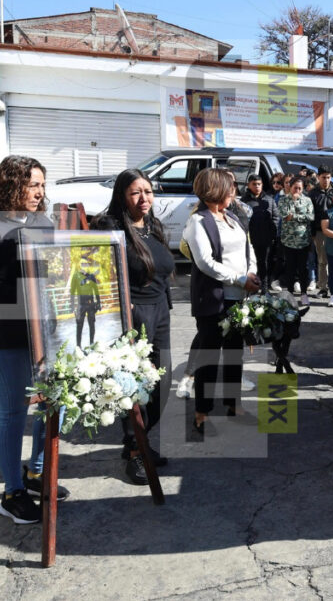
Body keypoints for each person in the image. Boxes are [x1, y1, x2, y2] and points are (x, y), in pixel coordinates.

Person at [0, 155, 68, 523]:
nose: (39, 192)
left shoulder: (43, 220)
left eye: (42, 185)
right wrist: (29, 293)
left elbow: (58, 270)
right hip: (5, 334)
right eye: (31, 185)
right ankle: (11, 492)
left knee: (53, 404)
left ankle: (37, 470)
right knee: (13, 413)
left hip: (48, 332)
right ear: (10, 183)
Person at [92, 169, 175, 485]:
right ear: (122, 196)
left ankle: (143, 440)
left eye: (149, 192)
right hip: (132, 314)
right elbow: (97, 273)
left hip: (160, 312)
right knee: (134, 386)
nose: (144, 199)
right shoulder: (110, 228)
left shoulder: (152, 227)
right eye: (136, 193)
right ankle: (133, 451)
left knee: (160, 383)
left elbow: (165, 270)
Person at [184, 168, 259, 434]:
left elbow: (248, 249)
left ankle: (233, 405)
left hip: (238, 298)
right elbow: (206, 263)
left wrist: (252, 273)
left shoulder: (231, 218)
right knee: (209, 357)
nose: (234, 192)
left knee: (234, 356)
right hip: (213, 301)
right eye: (230, 187)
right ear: (216, 189)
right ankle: (201, 413)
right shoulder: (198, 221)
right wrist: (240, 279)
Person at [277, 175, 315, 305]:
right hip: (288, 240)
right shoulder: (283, 200)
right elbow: (285, 216)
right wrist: (293, 203)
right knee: (290, 268)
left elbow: (310, 217)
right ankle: (290, 295)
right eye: (295, 188)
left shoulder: (307, 200)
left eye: (300, 188)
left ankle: (304, 293)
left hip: (303, 240)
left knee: (303, 268)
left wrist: (295, 216)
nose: (297, 191)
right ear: (290, 187)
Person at [241, 173, 279, 292]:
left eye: (259, 184)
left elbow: (276, 217)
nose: (257, 186)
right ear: (249, 185)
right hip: (250, 238)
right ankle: (252, 286)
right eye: (254, 184)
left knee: (264, 263)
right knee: (251, 263)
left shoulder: (269, 200)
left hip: (265, 238)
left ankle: (264, 287)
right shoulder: (244, 201)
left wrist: (273, 233)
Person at [309, 165, 333, 299]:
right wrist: (312, 234)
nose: (326, 180)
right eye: (323, 177)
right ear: (318, 177)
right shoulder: (313, 193)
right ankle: (323, 288)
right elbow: (310, 215)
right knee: (322, 261)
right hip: (319, 232)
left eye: (328, 177)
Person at [68, 248, 102, 348]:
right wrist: (72, 306)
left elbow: (96, 291)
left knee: (92, 325)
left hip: (91, 304)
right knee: (79, 326)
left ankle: (91, 343)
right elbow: (72, 291)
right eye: (82, 264)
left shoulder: (91, 277)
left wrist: (99, 302)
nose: (84, 266)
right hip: (80, 305)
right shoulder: (76, 276)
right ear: (79, 265)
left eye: (86, 264)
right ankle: (78, 346)